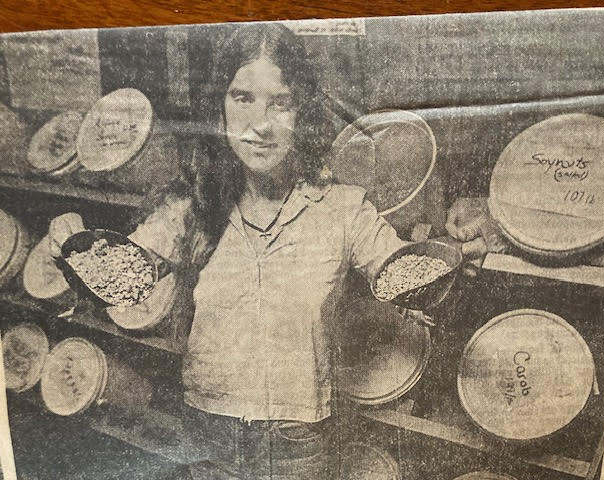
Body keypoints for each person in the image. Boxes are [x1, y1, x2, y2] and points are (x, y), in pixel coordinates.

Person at [49, 24, 487, 479]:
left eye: (281, 103)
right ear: (218, 107)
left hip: (297, 441)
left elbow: (401, 272)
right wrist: (73, 243)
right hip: (206, 428)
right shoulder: (190, 206)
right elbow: (122, 278)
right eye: (242, 98)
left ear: (304, 113)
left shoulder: (342, 208)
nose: (259, 124)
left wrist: (448, 263)